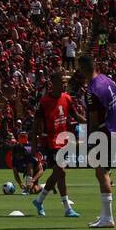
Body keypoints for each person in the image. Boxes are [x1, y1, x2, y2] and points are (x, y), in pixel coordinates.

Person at [76, 56, 116, 229]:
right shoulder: (107, 80)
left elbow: (93, 121)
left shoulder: (92, 90)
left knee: (101, 173)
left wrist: (90, 140)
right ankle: (104, 214)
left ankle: (108, 218)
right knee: (104, 173)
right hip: (114, 130)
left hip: (103, 133)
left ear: (83, 68)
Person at [33, 72, 80, 218]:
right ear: (53, 82)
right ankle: (66, 208)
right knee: (61, 172)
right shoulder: (44, 101)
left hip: (63, 141)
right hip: (50, 142)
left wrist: (92, 123)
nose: (65, 83)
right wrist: (34, 143)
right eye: (62, 80)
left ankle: (40, 200)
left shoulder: (67, 98)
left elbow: (76, 115)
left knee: (59, 174)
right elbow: (36, 124)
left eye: (66, 81)